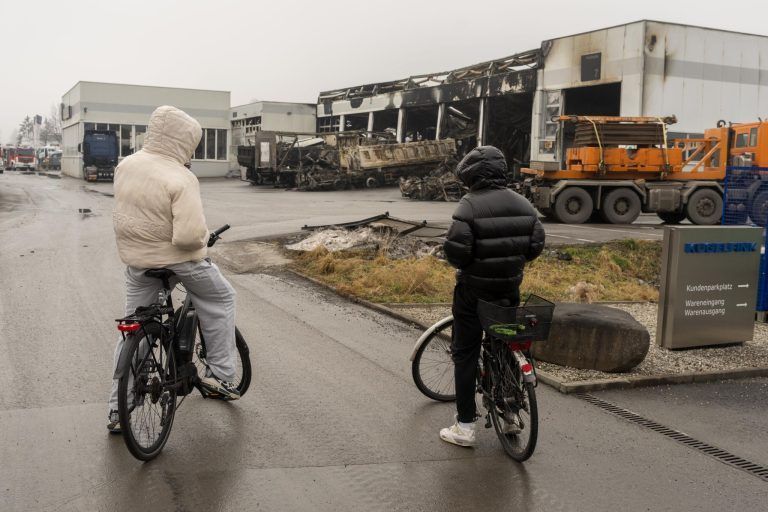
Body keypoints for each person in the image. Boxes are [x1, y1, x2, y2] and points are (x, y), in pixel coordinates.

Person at [107, 106, 239, 433]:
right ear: (185, 141)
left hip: (137, 260)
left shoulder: (126, 165)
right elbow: (188, 237)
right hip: (177, 260)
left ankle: (118, 409)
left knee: (134, 327)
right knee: (220, 299)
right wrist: (203, 240)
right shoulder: (181, 176)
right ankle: (220, 374)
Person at [440, 146, 545, 447]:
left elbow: (456, 252)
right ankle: (509, 413)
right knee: (505, 342)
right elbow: (535, 245)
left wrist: (470, 264)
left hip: (473, 291)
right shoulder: (524, 204)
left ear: (472, 175)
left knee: (465, 353)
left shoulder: (469, 205)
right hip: (508, 289)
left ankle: (464, 426)